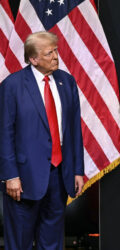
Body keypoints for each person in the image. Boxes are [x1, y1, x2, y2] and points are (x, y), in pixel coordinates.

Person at [0, 31, 84, 250]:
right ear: (33, 59)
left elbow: (74, 130)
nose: (56, 56)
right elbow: (4, 134)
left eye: (56, 50)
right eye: (49, 53)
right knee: (20, 243)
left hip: (59, 176)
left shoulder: (67, 82)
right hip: (23, 180)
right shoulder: (12, 85)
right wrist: (10, 175)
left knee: (52, 242)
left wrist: (77, 170)